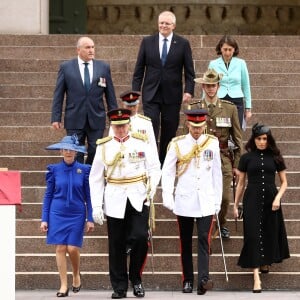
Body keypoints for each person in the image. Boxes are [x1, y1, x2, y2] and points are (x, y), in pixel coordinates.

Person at [89, 108, 161, 299]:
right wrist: (96, 205)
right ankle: (119, 286)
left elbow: (154, 168)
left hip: (138, 196)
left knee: (139, 237)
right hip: (114, 197)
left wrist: (151, 189)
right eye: (117, 126)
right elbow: (95, 177)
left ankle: (136, 278)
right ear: (111, 126)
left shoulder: (141, 142)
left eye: (123, 125)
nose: (120, 129)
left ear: (129, 124)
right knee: (116, 244)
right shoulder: (104, 146)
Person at [161, 108, 222, 295]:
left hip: (205, 200)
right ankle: (187, 279)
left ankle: (203, 280)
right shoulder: (177, 144)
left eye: (200, 126)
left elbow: (217, 173)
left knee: (204, 240)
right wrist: (167, 196)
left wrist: (217, 200)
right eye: (194, 126)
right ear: (188, 124)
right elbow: (168, 171)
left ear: (205, 125)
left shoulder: (212, 143)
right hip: (185, 200)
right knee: (185, 242)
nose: (197, 130)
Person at [132, 10, 195, 165]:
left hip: (172, 95)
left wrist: (188, 90)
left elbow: (189, 72)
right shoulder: (147, 42)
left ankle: (165, 161)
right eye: (161, 23)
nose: (163, 26)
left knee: (169, 128)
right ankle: (152, 161)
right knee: (151, 126)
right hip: (151, 93)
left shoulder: (183, 43)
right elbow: (139, 69)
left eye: (167, 23)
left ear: (173, 25)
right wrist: (135, 91)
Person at [233, 123, 290, 293]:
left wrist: (278, 198)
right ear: (254, 139)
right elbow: (241, 183)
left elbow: (285, 182)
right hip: (252, 199)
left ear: (269, 139)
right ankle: (256, 277)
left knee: (268, 232)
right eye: (259, 138)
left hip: (272, 200)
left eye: (264, 139)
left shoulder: (276, 157)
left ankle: (265, 262)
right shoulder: (246, 158)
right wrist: (235, 205)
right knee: (252, 235)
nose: (262, 142)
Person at [40, 134, 94, 297]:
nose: (68, 152)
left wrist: (89, 218)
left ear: (76, 152)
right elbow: (48, 195)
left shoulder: (84, 170)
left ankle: (76, 273)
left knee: (72, 247)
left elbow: (89, 197)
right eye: (65, 149)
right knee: (60, 247)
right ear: (60, 151)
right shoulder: (54, 170)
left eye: (71, 149)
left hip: (77, 213)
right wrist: (44, 218)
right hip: (57, 213)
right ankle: (63, 285)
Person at [51, 36, 118, 165]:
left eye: (93, 47)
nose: (91, 50)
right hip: (74, 117)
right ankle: (79, 176)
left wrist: (114, 117)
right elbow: (58, 94)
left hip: (96, 117)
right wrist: (56, 117)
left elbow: (110, 95)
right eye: (87, 47)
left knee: (95, 150)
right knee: (76, 151)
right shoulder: (66, 67)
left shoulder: (103, 67)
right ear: (78, 50)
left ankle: (90, 174)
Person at [194, 68, 243, 239]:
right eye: (207, 85)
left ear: (218, 86)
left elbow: (238, 138)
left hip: (223, 158)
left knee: (224, 198)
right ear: (203, 87)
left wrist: (238, 165)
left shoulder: (229, 109)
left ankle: (221, 223)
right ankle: (203, 222)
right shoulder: (194, 108)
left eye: (213, 85)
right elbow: (186, 136)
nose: (210, 88)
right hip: (200, 157)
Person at [208, 35, 252, 129]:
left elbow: (245, 85)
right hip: (220, 100)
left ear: (234, 49)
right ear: (220, 48)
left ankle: (235, 144)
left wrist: (248, 108)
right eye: (225, 49)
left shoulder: (241, 63)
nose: (227, 52)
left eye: (230, 49)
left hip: (237, 101)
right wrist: (205, 103)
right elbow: (208, 84)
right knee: (222, 130)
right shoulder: (213, 64)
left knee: (236, 129)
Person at [108, 90, 158, 161]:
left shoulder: (146, 122)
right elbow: (111, 142)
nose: (131, 108)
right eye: (129, 106)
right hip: (122, 158)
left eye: (134, 106)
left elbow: (152, 145)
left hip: (141, 158)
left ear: (138, 104)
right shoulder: (116, 122)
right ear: (123, 104)